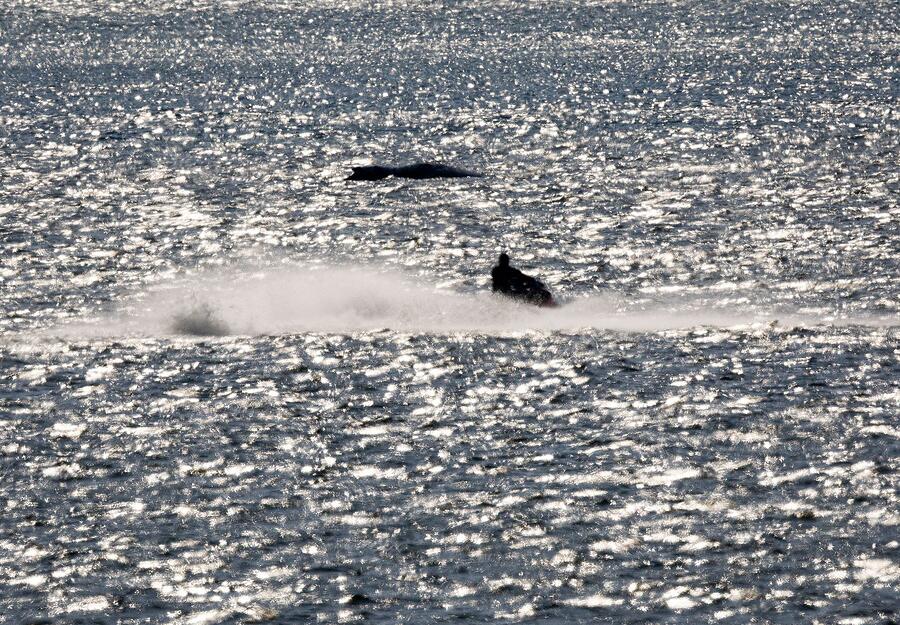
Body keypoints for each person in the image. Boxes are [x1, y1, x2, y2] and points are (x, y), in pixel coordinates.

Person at [491, 253, 557, 307]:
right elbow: (521, 277)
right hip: (506, 294)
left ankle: (551, 306)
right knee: (528, 294)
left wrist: (532, 280)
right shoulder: (497, 271)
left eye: (505, 261)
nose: (505, 262)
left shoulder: (511, 271)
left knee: (542, 293)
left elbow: (523, 277)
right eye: (504, 261)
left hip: (510, 292)